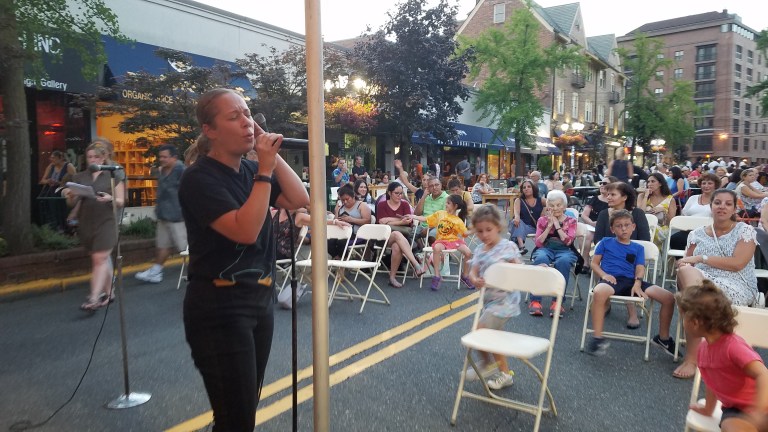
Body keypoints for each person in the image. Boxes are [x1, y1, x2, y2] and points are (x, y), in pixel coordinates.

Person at [178, 88, 308, 431]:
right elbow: (245, 231)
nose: (246, 123)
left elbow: (299, 198)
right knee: (236, 419)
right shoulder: (198, 178)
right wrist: (264, 170)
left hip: (258, 300)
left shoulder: (252, 170)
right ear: (210, 130)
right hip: (220, 307)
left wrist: (269, 154)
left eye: (248, 114)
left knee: (243, 409)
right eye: (234, 117)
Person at [673, 189, 759, 379]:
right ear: (710, 206)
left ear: (735, 208)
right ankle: (706, 353)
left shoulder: (745, 231)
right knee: (687, 276)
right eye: (717, 202)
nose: (722, 207)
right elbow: (685, 264)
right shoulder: (696, 234)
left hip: (737, 285)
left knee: (690, 298)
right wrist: (687, 262)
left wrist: (701, 258)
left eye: (728, 204)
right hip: (699, 283)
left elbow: (737, 264)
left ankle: (693, 358)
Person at [676, 280, 768, 431]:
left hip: (762, 402)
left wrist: (758, 411)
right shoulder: (703, 350)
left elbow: (763, 374)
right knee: (730, 427)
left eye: (683, 316)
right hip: (736, 410)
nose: (682, 321)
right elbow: (714, 383)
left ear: (695, 322)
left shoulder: (733, 346)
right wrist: (708, 409)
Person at [585, 210, 677, 357]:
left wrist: (637, 282)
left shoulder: (638, 248)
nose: (623, 229)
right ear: (612, 229)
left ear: (633, 227)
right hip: (611, 280)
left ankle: (663, 338)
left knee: (668, 297)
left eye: (627, 225)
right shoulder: (605, 242)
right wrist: (604, 275)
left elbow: (640, 268)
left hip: (632, 281)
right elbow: (594, 263)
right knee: (599, 291)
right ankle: (597, 337)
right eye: (619, 226)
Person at [61, 142, 126, 310]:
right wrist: (69, 195)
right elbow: (73, 202)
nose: (92, 160)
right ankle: (110, 293)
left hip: (106, 221)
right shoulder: (80, 177)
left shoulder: (113, 176)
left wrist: (110, 199)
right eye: (89, 157)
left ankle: (93, 298)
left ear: (104, 157)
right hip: (87, 222)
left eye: (96, 157)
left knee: (99, 259)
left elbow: (121, 201)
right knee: (100, 260)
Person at [464, 205, 522, 390]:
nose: (484, 235)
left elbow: (520, 269)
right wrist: (475, 280)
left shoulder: (508, 246)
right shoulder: (480, 250)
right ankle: (505, 374)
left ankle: (487, 363)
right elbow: (472, 272)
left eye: (488, 230)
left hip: (506, 300)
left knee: (480, 330)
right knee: (491, 336)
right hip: (489, 301)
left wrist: (538, 271)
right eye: (480, 231)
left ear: (498, 227)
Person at [594, 181, 651, 329]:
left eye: (613, 194)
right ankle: (604, 300)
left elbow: (645, 239)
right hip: (608, 253)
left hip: (632, 254)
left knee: (627, 265)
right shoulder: (603, 214)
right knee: (600, 260)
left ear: (624, 197)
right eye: (607, 194)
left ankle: (631, 310)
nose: (608, 197)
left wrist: (626, 248)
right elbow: (598, 238)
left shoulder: (637, 213)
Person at [136, 144, 187, 283]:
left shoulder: (182, 171)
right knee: (163, 246)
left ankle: (203, 274)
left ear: (174, 158)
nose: (162, 159)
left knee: (186, 248)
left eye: (165, 157)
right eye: (160, 157)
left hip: (178, 217)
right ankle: (156, 272)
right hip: (163, 214)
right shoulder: (162, 170)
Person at [407, 195, 473, 291]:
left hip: (454, 241)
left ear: (455, 206)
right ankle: (437, 275)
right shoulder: (440, 214)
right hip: (442, 240)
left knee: (468, 253)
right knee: (437, 248)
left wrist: (474, 230)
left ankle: (465, 275)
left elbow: (465, 233)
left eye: (448, 203)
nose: (445, 204)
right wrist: (414, 216)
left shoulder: (458, 220)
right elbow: (426, 219)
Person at [529, 190, 578, 318]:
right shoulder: (542, 220)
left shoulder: (571, 221)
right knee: (540, 258)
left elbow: (568, 242)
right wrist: (549, 226)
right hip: (546, 249)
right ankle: (535, 300)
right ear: (548, 207)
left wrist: (556, 225)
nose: (555, 208)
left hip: (565, 250)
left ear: (564, 206)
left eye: (558, 205)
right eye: (552, 205)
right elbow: (539, 243)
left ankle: (557, 302)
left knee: (563, 262)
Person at [376, 182, 426, 287]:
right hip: (384, 237)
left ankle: (392, 278)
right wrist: (399, 220)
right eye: (396, 193)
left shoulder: (404, 204)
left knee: (397, 246)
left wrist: (389, 221)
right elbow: (381, 221)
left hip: (403, 237)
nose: (400, 196)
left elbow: (408, 221)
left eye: (401, 193)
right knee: (396, 233)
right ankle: (416, 264)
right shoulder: (382, 205)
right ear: (389, 193)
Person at [668, 173, 719, 251]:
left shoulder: (719, 201)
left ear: (715, 185)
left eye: (710, 183)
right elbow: (684, 214)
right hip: (689, 231)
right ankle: (681, 261)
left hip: (709, 233)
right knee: (675, 239)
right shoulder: (693, 198)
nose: (706, 186)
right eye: (703, 183)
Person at [330, 184, 372, 259]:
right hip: (342, 232)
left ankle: (342, 261)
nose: (345, 202)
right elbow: (335, 221)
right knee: (329, 241)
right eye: (343, 200)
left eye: (347, 199)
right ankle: (338, 259)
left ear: (353, 197)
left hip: (357, 235)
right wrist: (336, 211)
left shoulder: (361, 205)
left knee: (341, 242)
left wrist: (352, 219)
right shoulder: (341, 207)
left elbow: (368, 221)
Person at [637, 172, 676, 249]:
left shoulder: (670, 199)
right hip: (644, 226)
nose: (649, 184)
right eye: (648, 182)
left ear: (660, 184)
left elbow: (671, 221)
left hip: (661, 227)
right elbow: (640, 213)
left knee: (652, 231)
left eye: (653, 181)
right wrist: (646, 196)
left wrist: (663, 211)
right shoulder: (642, 196)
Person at [510, 179, 546, 255]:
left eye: (529, 187)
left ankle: (516, 245)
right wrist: (516, 217)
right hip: (522, 226)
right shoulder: (519, 200)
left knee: (516, 224)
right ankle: (521, 246)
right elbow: (516, 213)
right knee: (516, 221)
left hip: (536, 227)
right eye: (524, 187)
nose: (526, 189)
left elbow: (551, 204)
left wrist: (544, 210)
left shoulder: (541, 200)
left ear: (533, 188)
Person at [414, 176, 448, 245]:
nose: (434, 188)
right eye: (431, 186)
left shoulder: (447, 198)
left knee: (432, 235)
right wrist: (423, 196)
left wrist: (429, 228)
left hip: (438, 226)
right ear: (428, 188)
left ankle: (432, 254)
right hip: (423, 226)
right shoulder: (426, 198)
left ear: (441, 185)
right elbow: (417, 213)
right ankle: (422, 252)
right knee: (410, 234)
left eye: (437, 185)